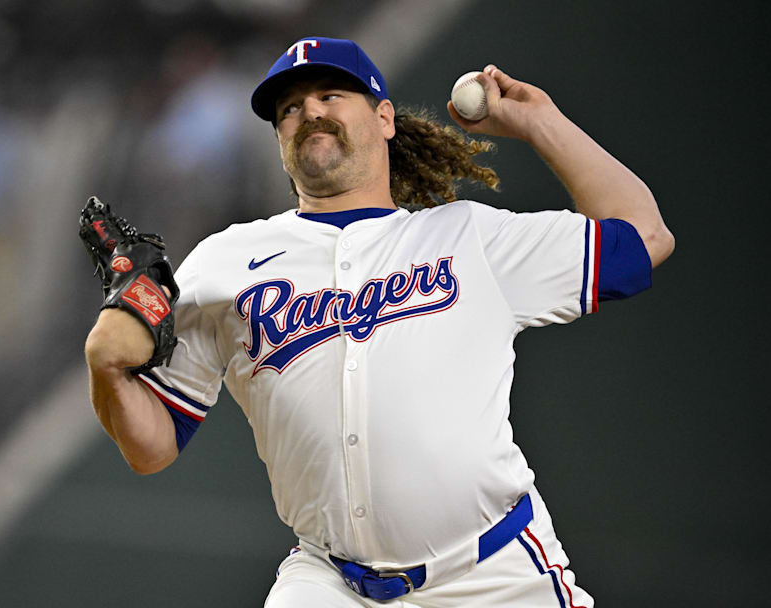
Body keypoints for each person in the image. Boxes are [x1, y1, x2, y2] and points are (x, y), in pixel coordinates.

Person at [84, 37, 673, 607]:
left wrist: (542, 124)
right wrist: (106, 370)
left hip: (492, 573)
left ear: (385, 117)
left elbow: (645, 237)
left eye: (331, 94)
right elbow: (152, 448)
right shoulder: (224, 261)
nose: (309, 110)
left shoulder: (469, 236)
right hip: (332, 582)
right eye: (289, 108)